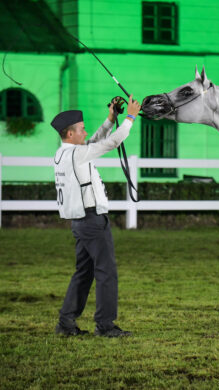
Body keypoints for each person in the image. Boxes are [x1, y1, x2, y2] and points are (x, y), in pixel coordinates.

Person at [51, 96, 141, 337]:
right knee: (106, 272)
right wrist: (130, 117)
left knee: (84, 272)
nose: (85, 131)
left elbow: (96, 140)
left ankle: (66, 322)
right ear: (70, 134)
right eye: (81, 129)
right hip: (92, 220)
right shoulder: (77, 155)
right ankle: (105, 325)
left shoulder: (64, 154)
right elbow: (110, 143)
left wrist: (111, 118)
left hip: (80, 222)